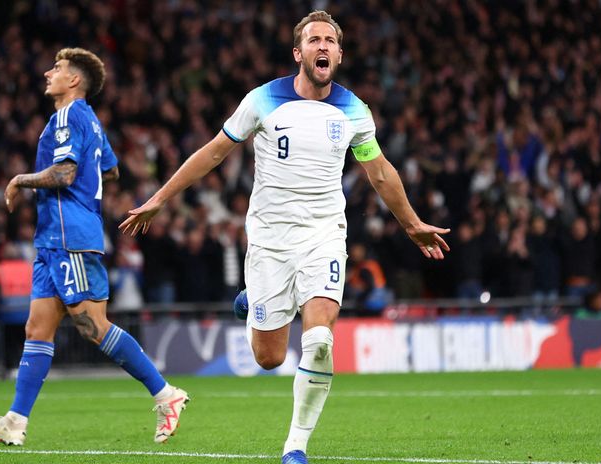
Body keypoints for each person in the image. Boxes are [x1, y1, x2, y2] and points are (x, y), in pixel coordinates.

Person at [120, 11, 450, 464]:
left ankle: (295, 446)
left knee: (319, 341)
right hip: (270, 240)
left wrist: (411, 224)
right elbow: (214, 152)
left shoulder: (354, 110)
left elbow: (379, 171)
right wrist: (160, 198)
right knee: (269, 358)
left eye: (330, 40)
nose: (323, 46)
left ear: (339, 54)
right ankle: (253, 298)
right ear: (299, 53)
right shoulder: (263, 99)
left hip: (324, 235)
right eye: (314, 40)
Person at [0, 47, 189, 446]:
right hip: (53, 238)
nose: (48, 73)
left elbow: (66, 174)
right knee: (37, 328)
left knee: (92, 326)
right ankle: (15, 421)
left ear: (74, 80)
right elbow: (111, 169)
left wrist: (20, 179)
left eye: (57, 68)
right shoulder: (90, 121)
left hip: (70, 237)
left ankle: (165, 394)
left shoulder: (69, 116)